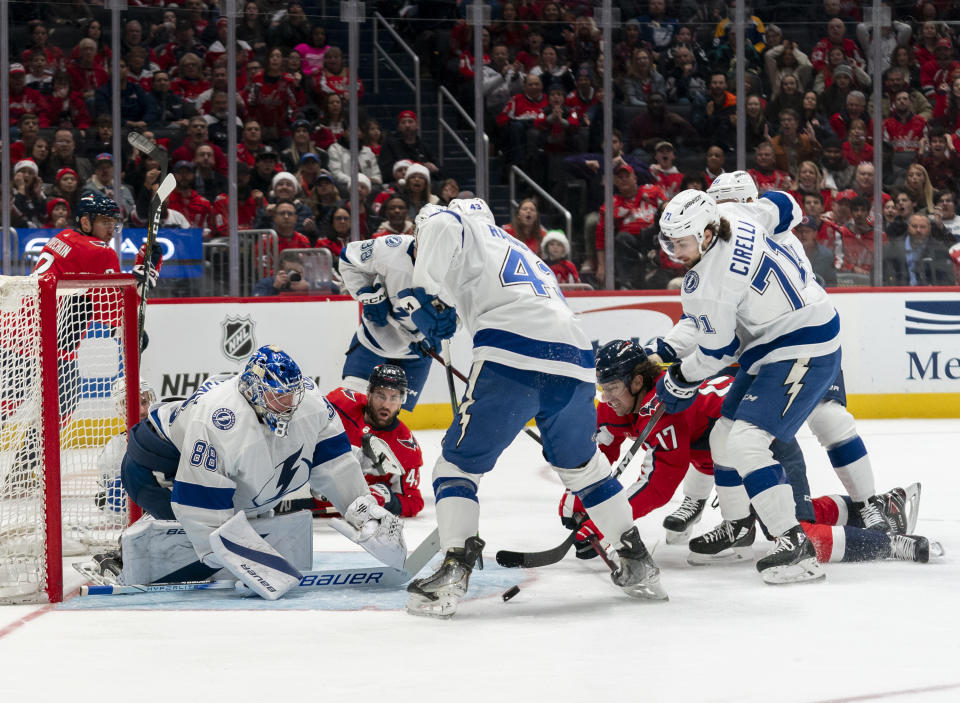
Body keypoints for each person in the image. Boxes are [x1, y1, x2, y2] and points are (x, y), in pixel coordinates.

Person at [405, 198, 666, 619]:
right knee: (586, 470)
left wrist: (425, 293)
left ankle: (454, 568)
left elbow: (439, 225)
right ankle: (637, 559)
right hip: (577, 357)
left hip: (512, 352)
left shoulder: (450, 219)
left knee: (456, 468)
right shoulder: (516, 247)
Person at [109, 345, 406, 599]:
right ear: (254, 390)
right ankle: (128, 554)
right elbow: (200, 506)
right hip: (153, 457)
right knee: (187, 524)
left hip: (201, 443)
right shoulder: (218, 419)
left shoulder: (309, 400)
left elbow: (335, 463)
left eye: (292, 394)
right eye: (279, 396)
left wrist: (361, 507)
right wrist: (233, 554)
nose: (289, 404)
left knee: (242, 492)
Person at [654, 188, 840, 584]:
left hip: (801, 344)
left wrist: (680, 377)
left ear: (705, 235)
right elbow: (787, 204)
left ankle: (795, 545)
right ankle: (739, 527)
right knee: (723, 436)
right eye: (669, 241)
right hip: (783, 336)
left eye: (681, 243)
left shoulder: (708, 283)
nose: (674, 251)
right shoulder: (735, 214)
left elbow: (718, 352)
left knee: (745, 443)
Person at [558, 340, 724, 557]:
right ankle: (700, 501)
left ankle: (741, 522)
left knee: (749, 495)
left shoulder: (667, 409)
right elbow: (600, 453)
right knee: (703, 455)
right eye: (603, 388)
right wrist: (578, 492)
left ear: (637, 382)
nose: (606, 398)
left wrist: (608, 522)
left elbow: (657, 486)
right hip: (703, 445)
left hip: (755, 437)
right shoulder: (617, 404)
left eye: (612, 388)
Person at [295, 365, 425, 518]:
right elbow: (303, 431)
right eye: (380, 395)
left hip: (347, 517)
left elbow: (413, 501)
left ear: (402, 400)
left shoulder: (406, 446)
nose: (386, 404)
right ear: (369, 393)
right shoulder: (340, 402)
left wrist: (385, 497)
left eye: (394, 398)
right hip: (301, 486)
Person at [338, 232, 435, 412]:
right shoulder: (390, 248)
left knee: (389, 416)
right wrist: (366, 293)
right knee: (352, 404)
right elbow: (348, 258)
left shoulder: (455, 266)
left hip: (417, 351)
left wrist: (439, 333)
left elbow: (465, 310)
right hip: (373, 340)